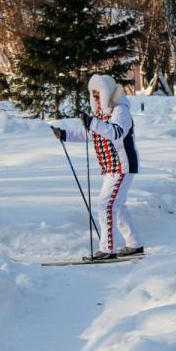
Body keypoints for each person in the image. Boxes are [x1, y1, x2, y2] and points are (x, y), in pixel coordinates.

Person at [51, 74, 143, 261]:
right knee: (117, 205)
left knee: (106, 205)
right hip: (111, 166)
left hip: (122, 165)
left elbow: (116, 132)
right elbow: (90, 134)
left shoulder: (120, 111)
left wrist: (93, 123)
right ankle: (134, 244)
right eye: (92, 96)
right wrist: (65, 134)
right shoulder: (101, 114)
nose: (95, 99)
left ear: (106, 93)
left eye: (97, 95)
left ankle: (107, 249)